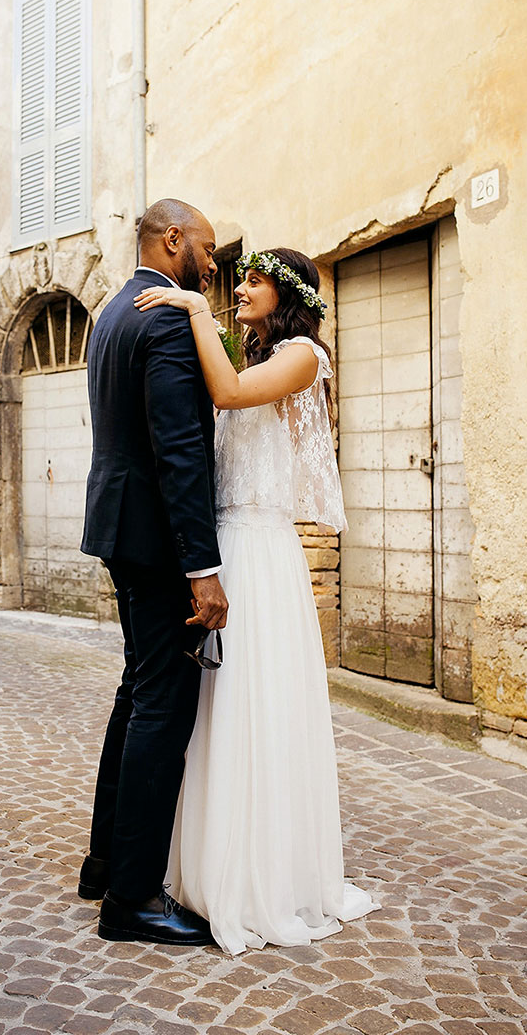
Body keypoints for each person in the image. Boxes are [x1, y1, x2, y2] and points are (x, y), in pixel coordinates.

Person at [134, 246, 379, 955]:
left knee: (257, 705)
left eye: (253, 280)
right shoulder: (256, 355)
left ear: (288, 293)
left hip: (263, 558)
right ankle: (213, 871)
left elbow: (230, 397)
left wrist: (189, 308)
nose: (239, 287)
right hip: (226, 551)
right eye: (239, 279)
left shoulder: (303, 354)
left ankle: (262, 879)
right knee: (216, 709)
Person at [79, 198, 229, 946]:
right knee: (162, 709)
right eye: (204, 244)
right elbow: (180, 451)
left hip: (119, 529)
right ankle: (132, 900)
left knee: (136, 692)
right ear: (172, 239)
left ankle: (105, 864)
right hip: (161, 545)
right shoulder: (166, 318)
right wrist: (202, 569)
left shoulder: (110, 315)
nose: (212, 257)